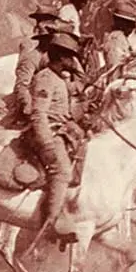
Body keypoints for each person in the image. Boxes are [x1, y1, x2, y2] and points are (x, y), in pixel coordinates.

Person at [25, 31, 87, 229]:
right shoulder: (45, 78)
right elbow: (38, 114)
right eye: (70, 57)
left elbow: (76, 90)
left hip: (60, 131)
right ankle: (52, 224)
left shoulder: (58, 78)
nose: (73, 61)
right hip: (47, 134)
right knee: (62, 171)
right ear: (61, 58)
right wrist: (47, 143)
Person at [99, 0, 136, 69]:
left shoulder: (121, 37)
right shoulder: (116, 38)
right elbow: (116, 64)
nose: (132, 28)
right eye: (131, 25)